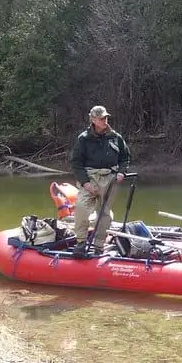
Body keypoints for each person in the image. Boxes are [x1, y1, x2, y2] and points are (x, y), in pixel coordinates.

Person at [70, 105, 131, 256]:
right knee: (81, 208)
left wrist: (122, 172)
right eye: (101, 118)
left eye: (106, 118)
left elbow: (125, 157)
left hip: (110, 179)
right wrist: (85, 182)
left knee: (105, 213)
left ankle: (99, 245)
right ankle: (81, 242)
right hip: (90, 177)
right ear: (93, 120)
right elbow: (76, 163)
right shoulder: (83, 139)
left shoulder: (115, 137)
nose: (105, 120)